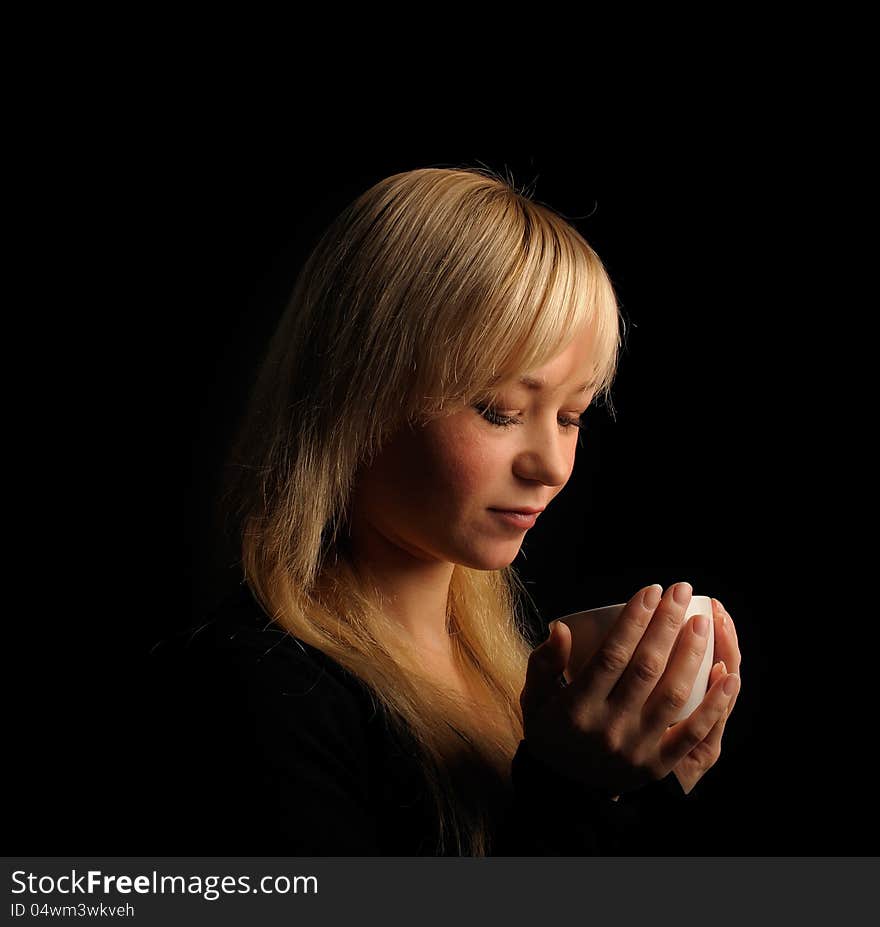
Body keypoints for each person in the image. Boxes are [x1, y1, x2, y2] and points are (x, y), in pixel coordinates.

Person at [151, 165, 742, 856]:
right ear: (357, 389)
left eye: (572, 415)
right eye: (500, 411)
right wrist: (572, 795)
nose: (550, 465)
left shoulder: (513, 675)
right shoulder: (254, 694)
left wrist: (646, 792)